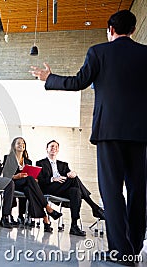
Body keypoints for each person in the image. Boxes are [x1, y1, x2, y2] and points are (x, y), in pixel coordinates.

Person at [30, 9, 146, 262]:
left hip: (109, 132)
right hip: (140, 133)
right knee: (138, 190)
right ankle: (135, 247)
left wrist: (49, 78)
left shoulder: (99, 51)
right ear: (134, 30)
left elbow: (78, 82)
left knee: (112, 190)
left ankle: (121, 251)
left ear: (111, 30)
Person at [36, 140, 105, 237]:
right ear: (46, 149)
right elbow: (40, 180)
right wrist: (53, 179)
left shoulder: (63, 164)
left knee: (75, 191)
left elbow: (70, 177)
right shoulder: (40, 163)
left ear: (58, 150)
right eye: (51, 146)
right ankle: (94, 207)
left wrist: (72, 173)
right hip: (49, 188)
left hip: (62, 190)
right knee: (74, 180)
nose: (53, 148)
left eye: (56, 147)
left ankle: (74, 225)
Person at [2, 137, 62, 233]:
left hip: (24, 185)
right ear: (14, 146)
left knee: (30, 189)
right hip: (13, 183)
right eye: (18, 143)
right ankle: (47, 209)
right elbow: (5, 175)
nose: (21, 145)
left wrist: (35, 180)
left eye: (23, 143)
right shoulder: (8, 158)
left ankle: (45, 220)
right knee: (30, 180)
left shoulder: (28, 161)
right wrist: (16, 176)